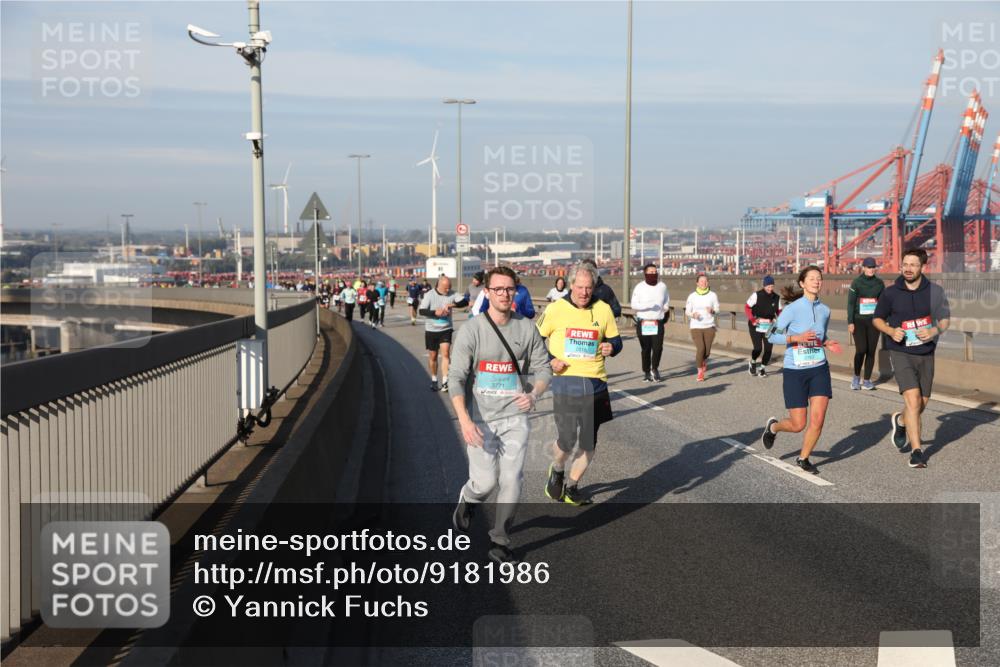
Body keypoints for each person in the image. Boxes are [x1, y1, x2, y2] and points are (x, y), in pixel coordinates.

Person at [449, 266, 552, 564]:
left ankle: (500, 539)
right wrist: (465, 421)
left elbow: (544, 368)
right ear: (487, 293)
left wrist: (533, 394)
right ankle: (468, 499)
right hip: (480, 418)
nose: (505, 294)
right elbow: (455, 377)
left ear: (515, 291)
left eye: (510, 289)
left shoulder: (526, 328)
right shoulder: (472, 330)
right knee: (485, 483)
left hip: (515, 416)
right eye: (498, 289)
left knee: (511, 478)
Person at [536, 262, 622, 505]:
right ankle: (557, 468)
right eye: (580, 287)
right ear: (571, 285)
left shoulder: (603, 309)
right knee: (567, 439)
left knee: (589, 444)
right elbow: (535, 342)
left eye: (589, 287)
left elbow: (616, 341)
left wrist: (611, 347)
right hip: (566, 382)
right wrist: (551, 360)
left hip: (596, 382)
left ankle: (572, 487)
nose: (584, 292)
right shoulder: (556, 309)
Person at [872, 248, 950, 469]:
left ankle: (900, 421)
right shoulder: (890, 293)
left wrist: (934, 331)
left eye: (913, 265)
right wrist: (889, 331)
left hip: (926, 353)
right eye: (905, 264)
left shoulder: (935, 291)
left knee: (921, 404)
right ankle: (917, 452)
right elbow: (877, 319)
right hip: (900, 351)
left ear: (922, 267)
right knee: (913, 400)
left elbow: (945, 320)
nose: (907, 268)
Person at [760, 266, 842, 475]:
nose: (816, 281)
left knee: (818, 419)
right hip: (795, 370)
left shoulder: (825, 310)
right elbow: (770, 335)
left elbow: (818, 336)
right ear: (803, 283)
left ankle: (803, 458)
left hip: (819, 369)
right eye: (812, 278)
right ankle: (773, 427)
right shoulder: (792, 309)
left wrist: (826, 342)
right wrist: (795, 338)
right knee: (798, 424)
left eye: (819, 278)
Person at [418, 275, 469, 391]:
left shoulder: (452, 294)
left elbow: (465, 302)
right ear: (439, 286)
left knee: (445, 353)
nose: (448, 290)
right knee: (433, 356)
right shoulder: (429, 295)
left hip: (446, 329)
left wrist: (453, 304)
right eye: (446, 288)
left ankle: (445, 381)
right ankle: (434, 379)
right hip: (431, 330)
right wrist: (435, 312)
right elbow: (421, 311)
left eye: (449, 287)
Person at [847, 257, 884, 390]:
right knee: (861, 349)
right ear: (863, 268)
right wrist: (850, 322)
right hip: (859, 321)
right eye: (868, 267)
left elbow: (882, 303)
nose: (871, 269)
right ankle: (856, 378)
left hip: (874, 322)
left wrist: (883, 319)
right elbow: (851, 303)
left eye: (873, 267)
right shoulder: (856, 283)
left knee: (871, 351)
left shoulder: (879, 283)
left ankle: (867, 380)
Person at [630, 263, 670, 382]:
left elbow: (667, 300)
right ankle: (646, 372)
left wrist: (665, 307)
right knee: (646, 349)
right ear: (645, 274)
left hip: (657, 322)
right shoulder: (639, 287)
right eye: (650, 272)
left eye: (655, 272)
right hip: (644, 323)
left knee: (658, 348)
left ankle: (655, 369)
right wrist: (649, 305)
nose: (653, 274)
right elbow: (634, 305)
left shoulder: (662, 286)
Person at [684, 274, 720, 381]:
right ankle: (700, 371)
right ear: (697, 283)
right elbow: (687, 311)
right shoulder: (692, 296)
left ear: (708, 283)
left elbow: (717, 309)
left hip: (709, 326)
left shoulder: (713, 295)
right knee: (701, 349)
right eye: (701, 281)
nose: (703, 283)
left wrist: (712, 311)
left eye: (705, 281)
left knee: (707, 352)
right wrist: (692, 315)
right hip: (696, 326)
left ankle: (702, 361)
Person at [745, 275, 781, 377]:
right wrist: (752, 319)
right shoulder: (756, 295)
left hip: (769, 326)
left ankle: (762, 368)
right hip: (756, 324)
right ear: (764, 286)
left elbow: (780, 311)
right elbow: (747, 307)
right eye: (768, 286)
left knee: (769, 349)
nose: (770, 288)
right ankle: (752, 362)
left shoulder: (776, 297)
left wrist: (778, 321)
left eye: (772, 286)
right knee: (758, 348)